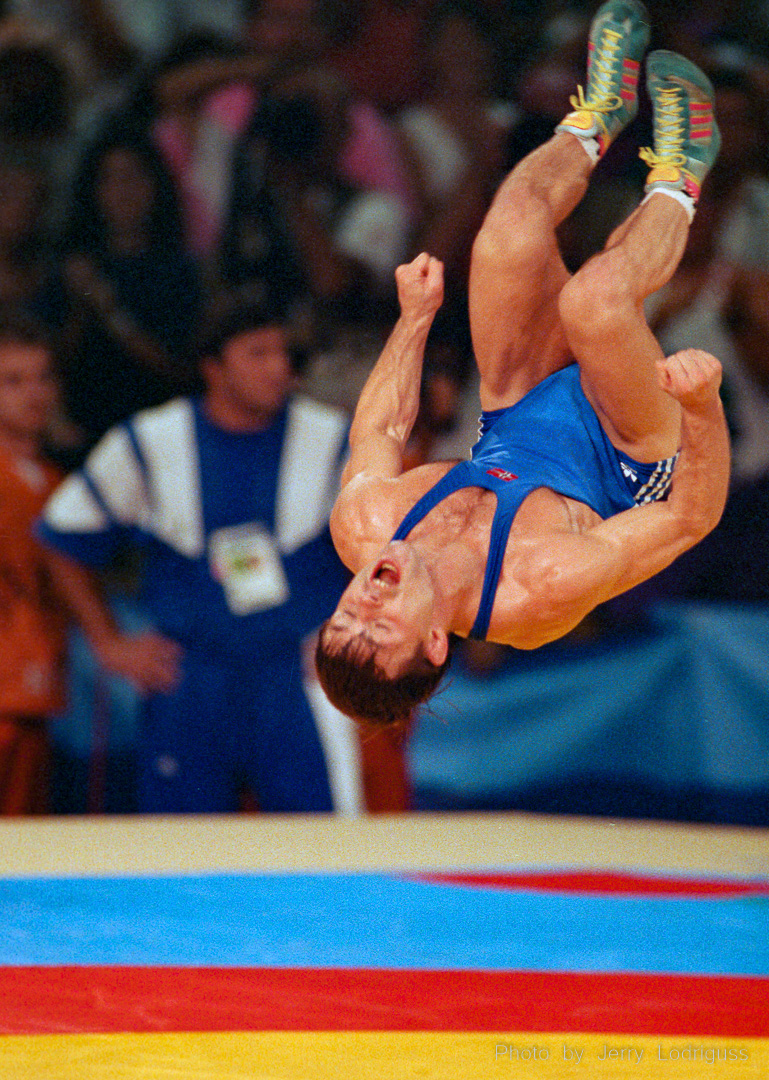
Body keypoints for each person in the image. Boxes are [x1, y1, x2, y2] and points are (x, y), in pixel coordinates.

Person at [314, 0, 731, 726]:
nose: (364, 601)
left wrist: (412, 323)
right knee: (597, 298)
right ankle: (681, 170)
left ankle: (594, 116)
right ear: (436, 644)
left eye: (344, 617)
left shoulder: (364, 528)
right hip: (631, 452)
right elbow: (689, 520)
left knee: (504, 232)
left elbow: (378, 432)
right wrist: (699, 411)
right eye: (378, 627)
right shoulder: (537, 590)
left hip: (518, 409)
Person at [39, 305, 351, 813]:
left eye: (285, 354)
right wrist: (109, 643)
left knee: (321, 848)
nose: (278, 367)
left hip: (298, 681)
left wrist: (352, 632)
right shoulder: (151, 441)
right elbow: (62, 534)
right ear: (213, 366)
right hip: (190, 682)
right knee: (181, 852)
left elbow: (396, 548)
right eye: (258, 353)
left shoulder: (335, 439)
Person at [0, 313, 65, 814]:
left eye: (43, 377)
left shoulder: (55, 483)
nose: (34, 393)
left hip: (36, 685)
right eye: (13, 381)